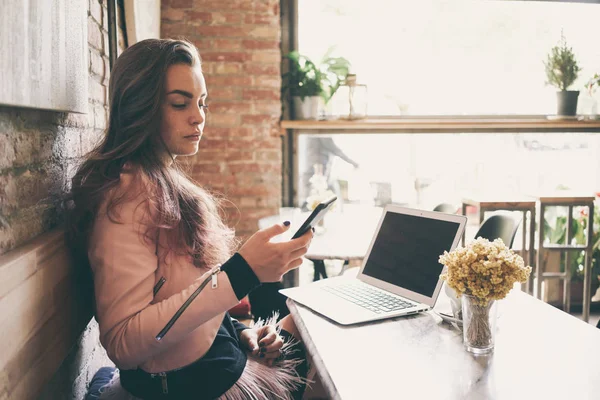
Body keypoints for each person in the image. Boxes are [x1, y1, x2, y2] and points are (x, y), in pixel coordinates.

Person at [65, 38, 313, 400]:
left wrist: (239, 333)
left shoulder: (161, 183)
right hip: (204, 387)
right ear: (140, 108)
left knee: (310, 322)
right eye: (180, 103)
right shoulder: (125, 198)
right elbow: (123, 342)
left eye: (201, 103)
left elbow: (182, 294)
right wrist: (243, 272)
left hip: (226, 361)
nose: (198, 116)